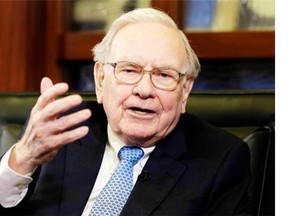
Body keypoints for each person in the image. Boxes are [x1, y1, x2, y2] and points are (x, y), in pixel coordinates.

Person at [0, 8, 251, 215]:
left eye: (164, 75)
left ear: (185, 90)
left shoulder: (220, 160)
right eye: (129, 70)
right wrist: (22, 159)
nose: (144, 90)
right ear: (100, 80)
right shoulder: (60, 129)